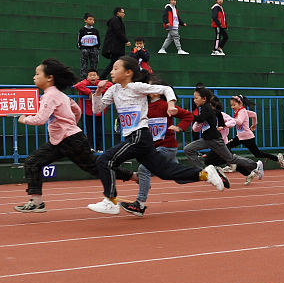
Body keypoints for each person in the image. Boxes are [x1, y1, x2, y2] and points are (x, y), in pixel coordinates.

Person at [89, 57, 225, 215]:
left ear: (128, 72)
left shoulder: (137, 87)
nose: (111, 72)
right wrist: (98, 92)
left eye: (115, 68)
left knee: (105, 160)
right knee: (165, 172)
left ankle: (111, 201)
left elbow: (166, 90)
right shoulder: (113, 90)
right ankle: (205, 174)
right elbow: (97, 109)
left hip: (139, 135)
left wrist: (171, 104)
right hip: (138, 140)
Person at [15, 59, 133, 213]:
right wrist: (71, 125)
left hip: (71, 140)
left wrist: (24, 119)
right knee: (33, 162)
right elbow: (77, 109)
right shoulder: (61, 95)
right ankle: (36, 202)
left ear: (49, 77)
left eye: (37, 74)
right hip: (62, 140)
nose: (34, 77)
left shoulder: (49, 96)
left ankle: (131, 176)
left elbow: (40, 119)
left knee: (95, 167)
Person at [120, 79, 194, 216]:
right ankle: (207, 174)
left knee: (143, 169)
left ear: (158, 92)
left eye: (150, 86)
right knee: (178, 176)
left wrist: (180, 127)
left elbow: (188, 115)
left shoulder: (165, 105)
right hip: (155, 148)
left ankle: (139, 204)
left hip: (167, 147)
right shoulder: (145, 106)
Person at [183, 85, 263, 185]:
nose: (194, 100)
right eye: (194, 98)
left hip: (215, 140)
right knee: (188, 149)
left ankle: (255, 165)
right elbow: (204, 121)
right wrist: (220, 124)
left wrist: (188, 115)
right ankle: (205, 172)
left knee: (231, 159)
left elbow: (201, 118)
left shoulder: (207, 108)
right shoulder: (207, 109)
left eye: (196, 98)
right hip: (206, 140)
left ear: (204, 99)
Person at [225, 95, 284, 169]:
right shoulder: (242, 111)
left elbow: (240, 121)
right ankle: (230, 164)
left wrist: (230, 119)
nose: (232, 107)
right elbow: (254, 114)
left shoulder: (242, 111)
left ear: (240, 104)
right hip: (240, 137)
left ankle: (277, 158)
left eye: (234, 105)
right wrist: (254, 124)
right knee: (226, 147)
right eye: (231, 105)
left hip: (247, 138)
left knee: (257, 154)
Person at [100, 7, 129, 79]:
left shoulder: (117, 20)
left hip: (116, 47)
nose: (124, 14)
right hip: (115, 48)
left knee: (115, 63)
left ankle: (103, 78)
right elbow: (118, 32)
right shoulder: (115, 20)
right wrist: (126, 40)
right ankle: (101, 78)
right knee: (114, 63)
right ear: (118, 13)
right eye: (123, 12)